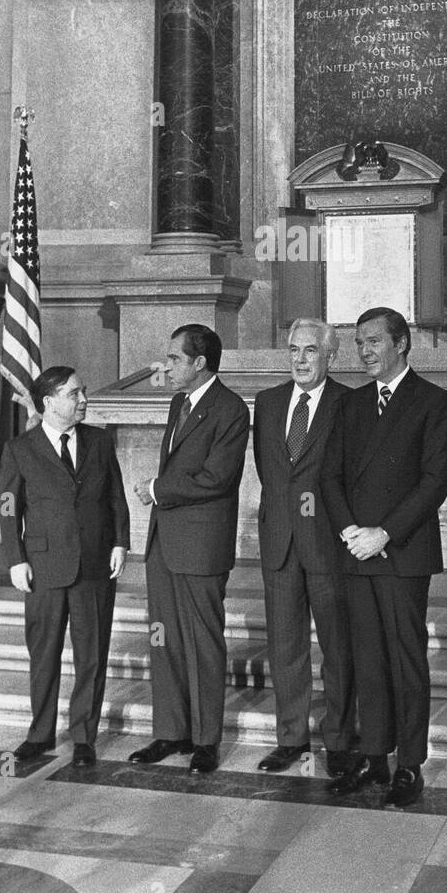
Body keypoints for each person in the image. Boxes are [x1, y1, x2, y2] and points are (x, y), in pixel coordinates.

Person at [320, 307, 447, 806]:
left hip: (402, 552)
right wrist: (351, 530)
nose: (365, 351)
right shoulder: (350, 405)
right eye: (359, 343)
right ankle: (374, 756)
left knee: (405, 659)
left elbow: (433, 481)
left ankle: (409, 763)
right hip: (357, 550)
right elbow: (329, 476)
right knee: (367, 659)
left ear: (402, 344)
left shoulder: (433, 402)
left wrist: (384, 533)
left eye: (374, 341)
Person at [129, 324, 249, 774]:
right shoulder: (179, 402)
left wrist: (159, 488)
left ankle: (205, 740)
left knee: (201, 641)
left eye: (175, 358)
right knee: (164, 638)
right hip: (165, 541)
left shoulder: (231, 409)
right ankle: (170, 731)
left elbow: (218, 478)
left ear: (200, 363)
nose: (168, 366)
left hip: (201, 545)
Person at [0, 366, 129, 768]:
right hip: (42, 566)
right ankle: (39, 735)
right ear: (48, 403)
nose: (83, 400)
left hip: (94, 564)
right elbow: (8, 508)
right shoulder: (21, 449)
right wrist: (15, 560)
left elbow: (116, 497)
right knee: (44, 654)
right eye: (74, 394)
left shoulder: (101, 441)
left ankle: (84, 736)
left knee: (92, 654)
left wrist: (121, 543)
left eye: (83, 391)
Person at [253, 318, 355, 777]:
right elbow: (269, 472)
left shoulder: (349, 404)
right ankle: (291, 738)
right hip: (279, 543)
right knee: (285, 646)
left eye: (310, 351)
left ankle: (339, 739)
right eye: (294, 350)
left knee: (337, 646)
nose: (300, 359)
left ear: (331, 356)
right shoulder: (269, 402)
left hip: (328, 546)